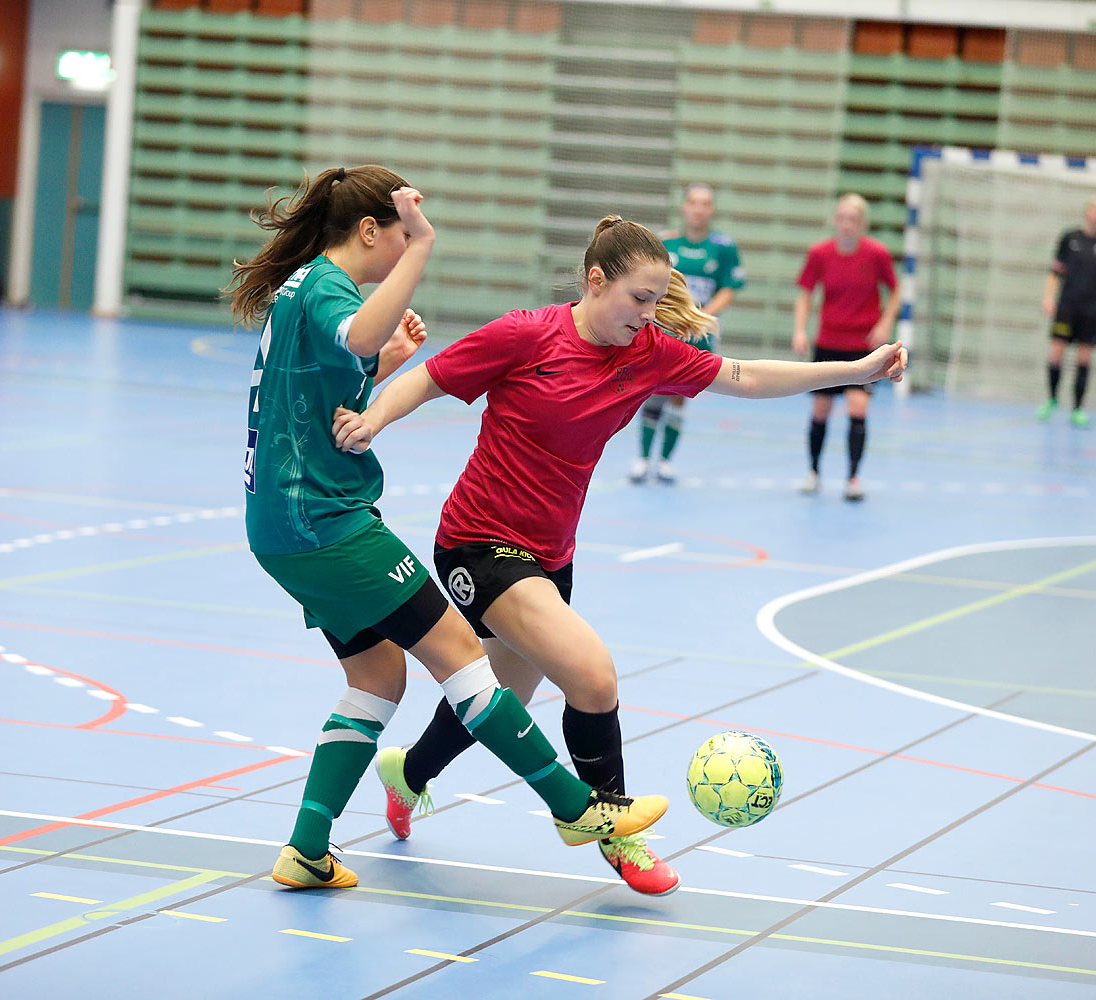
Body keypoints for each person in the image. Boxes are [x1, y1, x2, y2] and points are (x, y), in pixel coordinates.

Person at [334, 216, 907, 895]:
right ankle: (614, 835)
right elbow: (430, 377)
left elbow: (746, 376)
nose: (648, 314)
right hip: (478, 541)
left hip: (550, 553)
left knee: (499, 697)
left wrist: (854, 369)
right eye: (638, 298)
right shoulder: (527, 334)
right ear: (596, 281)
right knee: (594, 677)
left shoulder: (647, 353)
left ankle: (409, 773)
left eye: (656, 299)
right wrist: (371, 419)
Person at [225, 167, 667, 891]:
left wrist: (383, 362)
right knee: (462, 655)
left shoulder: (304, 288)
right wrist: (424, 250)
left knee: (377, 676)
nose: (406, 252)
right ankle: (575, 807)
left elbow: (322, 389)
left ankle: (306, 849)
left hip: (284, 523)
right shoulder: (332, 286)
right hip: (323, 522)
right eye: (401, 237)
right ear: (371, 231)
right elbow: (359, 325)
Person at [631, 182, 745, 483]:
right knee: (651, 392)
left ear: (712, 209)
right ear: (684, 207)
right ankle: (643, 459)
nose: (698, 208)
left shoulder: (723, 247)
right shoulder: (665, 245)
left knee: (680, 395)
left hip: (698, 334)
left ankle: (665, 460)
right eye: (693, 202)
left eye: (705, 203)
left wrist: (700, 317)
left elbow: (729, 289)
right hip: (664, 331)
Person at [792, 193, 901, 502]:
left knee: (858, 407)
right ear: (835, 221)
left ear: (862, 223)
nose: (846, 225)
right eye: (841, 218)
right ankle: (813, 472)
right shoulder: (820, 253)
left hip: (863, 346)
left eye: (853, 220)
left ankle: (853, 478)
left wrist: (884, 325)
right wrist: (801, 330)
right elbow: (805, 292)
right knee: (821, 409)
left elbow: (895, 291)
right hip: (828, 342)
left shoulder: (877, 254)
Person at [1038, 197, 1096, 428]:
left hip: (1092, 309)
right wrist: (1048, 297)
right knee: (1056, 353)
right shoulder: (1069, 238)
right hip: (1067, 306)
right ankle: (1052, 399)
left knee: (1084, 358)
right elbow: (1055, 272)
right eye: (1094, 210)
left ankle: (1077, 409)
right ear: (1086, 213)